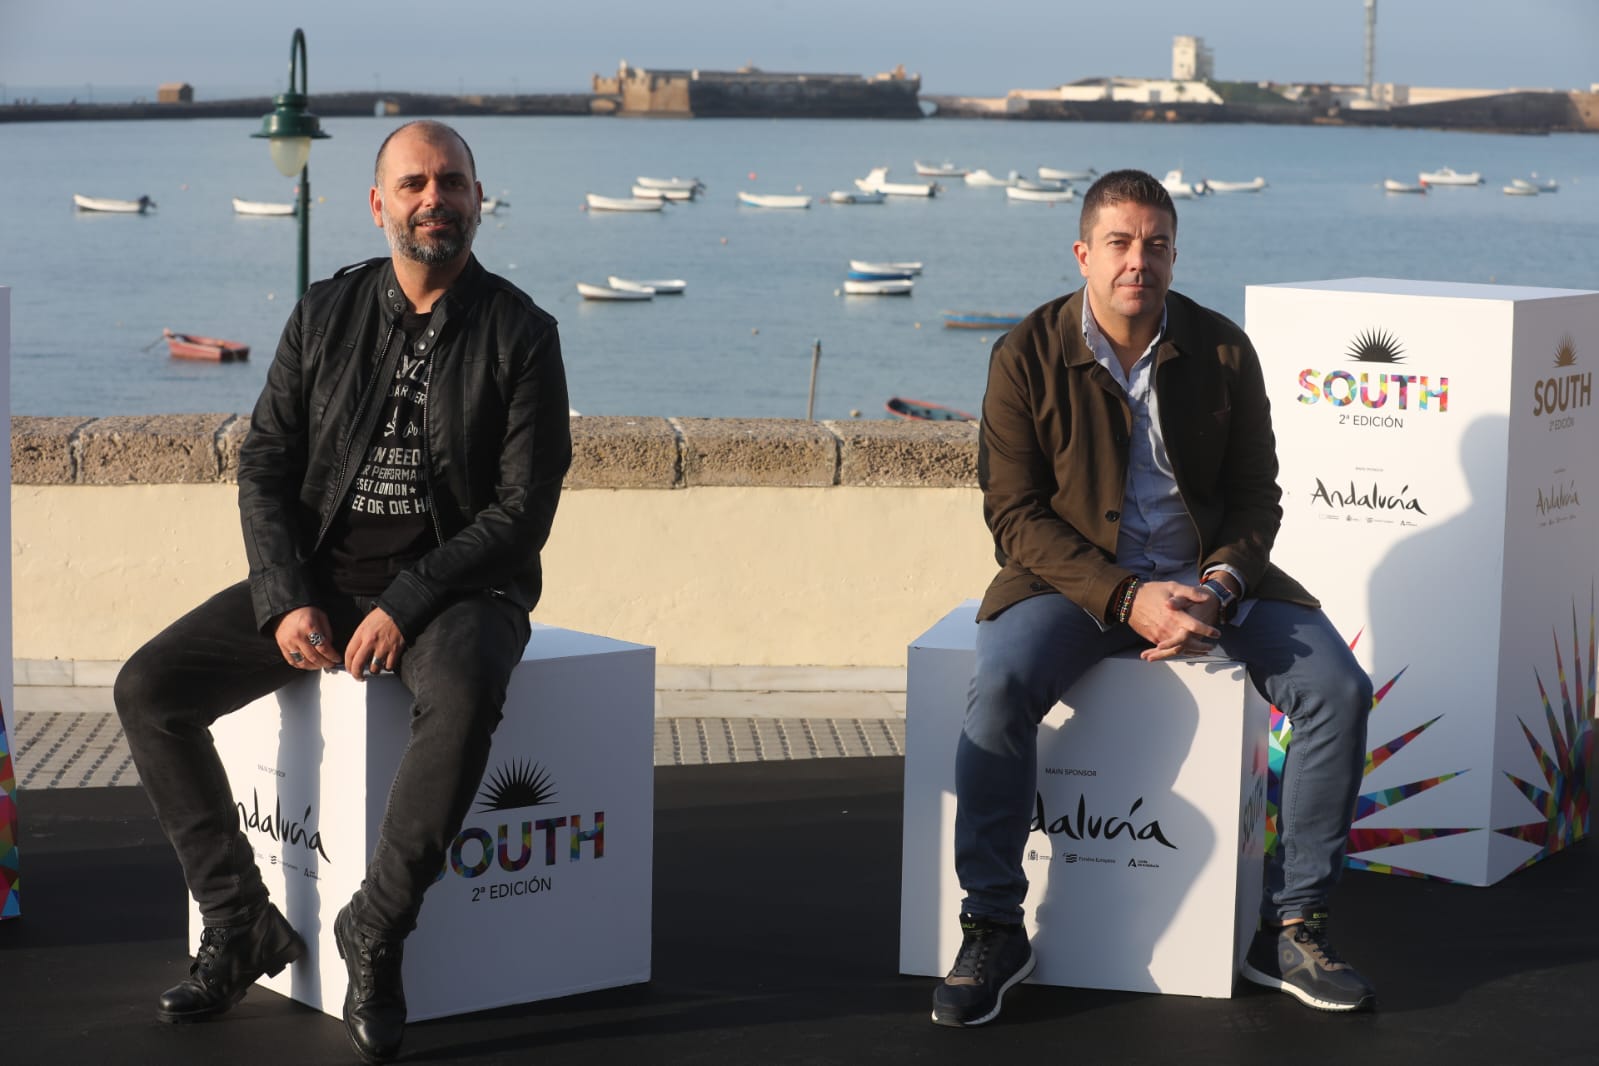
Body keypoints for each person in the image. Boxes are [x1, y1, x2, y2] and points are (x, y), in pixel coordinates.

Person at [114, 120, 571, 1063]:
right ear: (379, 203)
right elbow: (266, 464)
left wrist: (404, 604)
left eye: (451, 182)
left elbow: (521, 513)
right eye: (412, 184)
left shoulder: (522, 334)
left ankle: (378, 926)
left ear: (479, 198)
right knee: (149, 689)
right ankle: (240, 921)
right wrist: (284, 595)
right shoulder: (326, 314)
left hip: (457, 587)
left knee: (468, 689)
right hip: (318, 574)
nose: (432, 199)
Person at [931, 169, 1375, 1028]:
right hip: (1071, 584)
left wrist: (1217, 584)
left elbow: (1257, 496)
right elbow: (1013, 517)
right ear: (1083, 254)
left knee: (1337, 691)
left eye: (1157, 244)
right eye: (1121, 243)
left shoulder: (1220, 349)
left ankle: (1290, 928)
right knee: (996, 693)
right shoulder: (1023, 353)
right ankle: (992, 926)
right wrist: (1126, 595)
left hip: (1214, 583)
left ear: (1174, 253)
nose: (1140, 260)